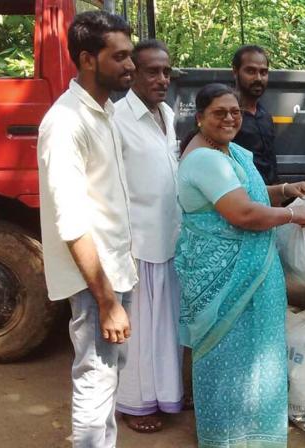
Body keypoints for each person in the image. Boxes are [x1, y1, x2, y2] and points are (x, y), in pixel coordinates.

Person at [175, 83, 305, 447]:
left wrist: (285, 189)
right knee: (226, 357)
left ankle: (255, 434)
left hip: (250, 272)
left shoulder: (227, 152)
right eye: (219, 112)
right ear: (201, 117)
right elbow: (242, 212)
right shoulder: (205, 159)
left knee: (256, 353)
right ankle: (227, 437)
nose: (229, 118)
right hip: (224, 279)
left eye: (234, 111)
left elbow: (248, 193)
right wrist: (292, 215)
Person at [37, 11, 137, 447]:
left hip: (114, 269)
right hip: (95, 281)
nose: (130, 65)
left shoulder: (105, 111)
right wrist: (107, 300)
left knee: (107, 376)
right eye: (120, 57)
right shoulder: (65, 123)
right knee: (96, 381)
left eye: (130, 55)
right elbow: (72, 221)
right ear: (87, 59)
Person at [113, 39, 182, 433]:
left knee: (166, 327)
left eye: (166, 72)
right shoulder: (118, 118)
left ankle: (165, 393)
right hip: (137, 243)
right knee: (138, 331)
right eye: (152, 72)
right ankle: (134, 404)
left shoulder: (168, 114)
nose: (162, 79)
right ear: (133, 74)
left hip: (168, 239)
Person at [231, 45, 279, 185]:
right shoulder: (227, 118)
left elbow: (271, 166)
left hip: (267, 200)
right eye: (251, 71)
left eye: (263, 72)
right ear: (235, 71)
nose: (258, 78)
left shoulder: (265, 116)